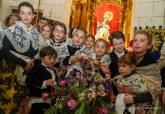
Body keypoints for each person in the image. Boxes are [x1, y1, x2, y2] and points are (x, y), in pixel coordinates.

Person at [0, 2, 40, 113]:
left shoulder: (36, 32)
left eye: (29, 13)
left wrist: (32, 61)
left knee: (23, 103)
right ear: (19, 15)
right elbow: (3, 52)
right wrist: (24, 63)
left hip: (29, 72)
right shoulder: (11, 30)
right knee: (10, 102)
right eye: (23, 13)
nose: (26, 16)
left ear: (33, 16)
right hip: (12, 71)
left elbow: (38, 52)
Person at [123, 31, 162, 113]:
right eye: (135, 40)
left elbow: (155, 91)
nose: (137, 43)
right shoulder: (128, 59)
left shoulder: (152, 64)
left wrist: (134, 98)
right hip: (126, 101)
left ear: (148, 46)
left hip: (145, 104)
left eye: (141, 41)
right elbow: (122, 77)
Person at [26, 46, 57, 114]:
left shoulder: (54, 71)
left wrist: (54, 92)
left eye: (54, 59)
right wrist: (45, 83)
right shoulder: (37, 67)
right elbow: (29, 81)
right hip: (37, 100)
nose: (52, 60)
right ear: (42, 58)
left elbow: (54, 85)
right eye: (49, 58)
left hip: (49, 103)